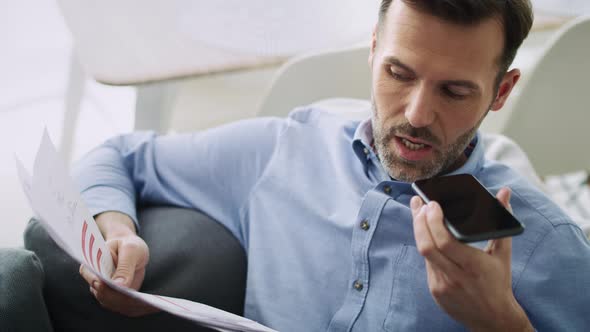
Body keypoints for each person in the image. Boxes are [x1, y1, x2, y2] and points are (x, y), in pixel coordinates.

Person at [21, 0, 590, 331]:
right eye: (399, 73)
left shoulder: (546, 244)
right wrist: (119, 232)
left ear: (501, 90)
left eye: (455, 90)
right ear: (372, 51)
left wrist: (502, 323)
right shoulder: (285, 151)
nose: (418, 115)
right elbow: (118, 155)